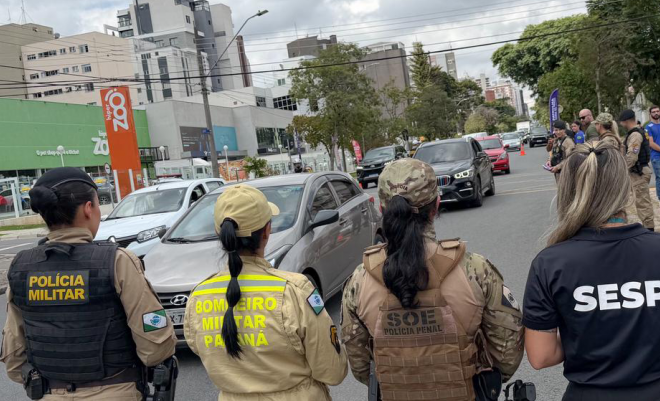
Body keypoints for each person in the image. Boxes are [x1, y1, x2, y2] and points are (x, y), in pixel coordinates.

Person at [523, 139, 660, 400]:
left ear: (567, 190)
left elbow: (541, 355)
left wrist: (583, 342)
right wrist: (657, 367)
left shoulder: (550, 263)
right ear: (624, 187)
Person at [341, 159, 524, 400]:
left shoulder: (360, 279)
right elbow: (507, 351)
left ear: (384, 210)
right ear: (436, 206)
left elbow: (360, 363)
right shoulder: (475, 270)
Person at [1, 167, 177, 400]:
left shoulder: (21, 266)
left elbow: (14, 355)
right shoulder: (117, 260)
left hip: (48, 393)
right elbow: (154, 342)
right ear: (88, 209)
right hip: (116, 391)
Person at [184, 184, 347, 400]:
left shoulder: (198, 296)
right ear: (267, 231)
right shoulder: (295, 291)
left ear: (220, 233)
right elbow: (332, 370)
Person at [620, 109, 656, 231]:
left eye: (622, 122)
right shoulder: (636, 132)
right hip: (637, 172)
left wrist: (622, 169)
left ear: (625, 121)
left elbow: (632, 156)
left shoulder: (635, 135)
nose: (621, 125)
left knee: (643, 203)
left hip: (639, 173)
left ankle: (649, 230)